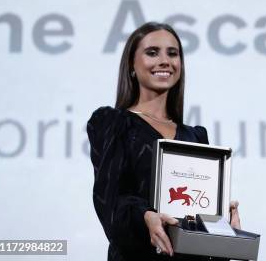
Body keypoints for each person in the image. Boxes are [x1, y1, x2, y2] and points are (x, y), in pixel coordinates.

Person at [87, 22, 241, 261]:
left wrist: (222, 229)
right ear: (131, 65)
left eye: (173, 53)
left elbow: (200, 219)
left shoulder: (196, 136)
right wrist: (145, 215)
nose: (165, 61)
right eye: (152, 52)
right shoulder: (113, 123)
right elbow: (108, 200)